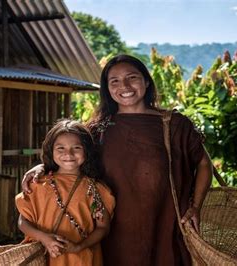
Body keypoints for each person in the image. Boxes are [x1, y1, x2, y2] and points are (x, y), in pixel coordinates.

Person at [21, 54, 212, 265]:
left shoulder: (174, 125)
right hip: (110, 231)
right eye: (115, 81)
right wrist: (41, 167)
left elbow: (204, 164)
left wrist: (195, 207)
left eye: (132, 77)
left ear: (146, 81)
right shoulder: (98, 129)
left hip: (165, 226)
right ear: (107, 89)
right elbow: (70, 155)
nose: (125, 86)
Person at [15, 119, 115, 265]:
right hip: (43, 257)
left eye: (76, 148)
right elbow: (22, 221)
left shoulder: (96, 189)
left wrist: (79, 247)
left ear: (86, 150)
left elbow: (103, 227)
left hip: (80, 258)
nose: (68, 154)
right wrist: (43, 238)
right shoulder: (38, 184)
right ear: (51, 150)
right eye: (60, 148)